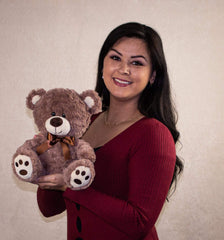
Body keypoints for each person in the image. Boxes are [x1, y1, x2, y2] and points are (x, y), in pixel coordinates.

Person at [37, 22, 183, 240]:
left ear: (152, 76)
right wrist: (47, 160)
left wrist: (69, 185)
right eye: (115, 58)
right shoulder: (82, 123)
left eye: (136, 62)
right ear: (102, 66)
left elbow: (138, 222)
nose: (124, 69)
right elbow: (50, 208)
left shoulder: (154, 135)